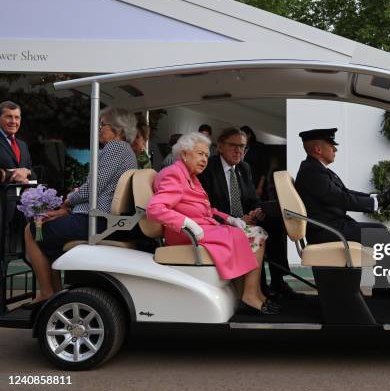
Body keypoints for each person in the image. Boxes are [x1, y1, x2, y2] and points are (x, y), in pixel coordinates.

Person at [147, 132, 279, 315]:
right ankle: (249, 295)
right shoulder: (174, 175)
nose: (205, 159)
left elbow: (207, 210)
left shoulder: (190, 175)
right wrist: (187, 223)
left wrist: (229, 219)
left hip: (202, 227)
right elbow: (155, 208)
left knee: (256, 233)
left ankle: (252, 293)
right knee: (255, 234)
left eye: (207, 155)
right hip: (186, 234)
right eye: (200, 154)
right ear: (184, 154)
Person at [22, 108, 141, 308]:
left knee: (34, 228)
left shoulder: (115, 148)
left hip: (99, 220)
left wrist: (67, 201)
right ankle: (55, 293)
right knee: (45, 224)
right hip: (101, 216)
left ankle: (47, 292)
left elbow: (94, 187)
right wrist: (68, 209)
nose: (99, 129)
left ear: (118, 130)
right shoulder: (127, 151)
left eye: (103, 125)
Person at [294, 128, 390, 298]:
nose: (335, 149)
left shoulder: (317, 169)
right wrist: (377, 202)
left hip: (332, 226)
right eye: (331, 145)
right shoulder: (312, 172)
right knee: (384, 237)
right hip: (327, 231)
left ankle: (382, 288)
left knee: (381, 231)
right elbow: (340, 198)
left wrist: (378, 197)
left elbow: (346, 193)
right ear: (318, 149)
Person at [198, 127, 296, 298]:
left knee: (276, 221)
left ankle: (278, 280)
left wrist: (256, 211)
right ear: (220, 146)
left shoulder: (244, 167)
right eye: (233, 145)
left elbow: (252, 198)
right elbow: (206, 207)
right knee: (257, 233)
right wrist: (235, 219)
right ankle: (260, 288)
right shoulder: (208, 168)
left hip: (245, 219)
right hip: (220, 222)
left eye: (242, 146)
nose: (238, 150)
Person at [0, 101, 35, 184]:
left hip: (21, 196)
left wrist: (26, 171)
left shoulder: (23, 145)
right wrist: (14, 174)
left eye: (17, 117)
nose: (13, 121)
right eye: (9, 117)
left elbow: (33, 175)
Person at [240, 125, 269, 198]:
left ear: (249, 135)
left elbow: (264, 168)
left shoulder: (259, 147)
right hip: (243, 183)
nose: (241, 137)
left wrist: (260, 187)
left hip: (256, 182)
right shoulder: (242, 147)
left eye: (243, 135)